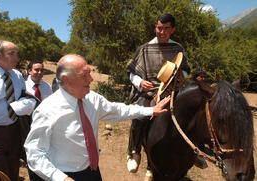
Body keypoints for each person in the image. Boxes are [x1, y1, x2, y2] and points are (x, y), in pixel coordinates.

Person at [24, 54, 171, 181]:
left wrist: (151, 109)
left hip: (93, 172)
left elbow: (118, 110)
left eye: (89, 73)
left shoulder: (92, 99)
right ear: (66, 79)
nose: (91, 79)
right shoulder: (47, 110)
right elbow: (34, 153)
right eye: (84, 75)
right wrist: (60, 177)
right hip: (64, 175)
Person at [126, 13, 191, 179]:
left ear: (173, 30)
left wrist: (177, 75)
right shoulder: (144, 49)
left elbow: (185, 70)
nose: (161, 32)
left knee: (191, 116)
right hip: (148, 91)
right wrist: (140, 82)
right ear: (155, 27)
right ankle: (134, 152)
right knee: (139, 117)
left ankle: (194, 152)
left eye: (166, 28)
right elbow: (132, 73)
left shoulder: (178, 49)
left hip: (172, 91)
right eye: (159, 28)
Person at [0, 40, 36, 181]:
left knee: (14, 166)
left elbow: (21, 96)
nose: (17, 58)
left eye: (17, 54)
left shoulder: (17, 75)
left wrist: (29, 103)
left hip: (14, 130)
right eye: (11, 54)